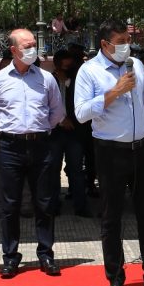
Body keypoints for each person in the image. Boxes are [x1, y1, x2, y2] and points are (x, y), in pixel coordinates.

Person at [74, 20, 144, 286]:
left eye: (127, 39)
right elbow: (80, 113)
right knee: (112, 218)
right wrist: (114, 91)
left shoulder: (136, 65)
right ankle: (115, 280)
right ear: (105, 44)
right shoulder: (89, 71)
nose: (125, 45)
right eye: (120, 40)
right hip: (109, 151)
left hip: (141, 148)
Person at [0, 29, 65, 278]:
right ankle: (10, 257)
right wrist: (10, 131)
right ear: (13, 50)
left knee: (45, 202)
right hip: (10, 147)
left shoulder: (46, 78)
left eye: (34, 45)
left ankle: (46, 254)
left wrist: (40, 130)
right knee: (10, 204)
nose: (33, 50)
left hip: (41, 145)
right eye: (27, 46)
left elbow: (57, 112)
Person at [49, 49, 91, 217]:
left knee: (77, 171)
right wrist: (60, 120)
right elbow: (45, 106)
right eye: (64, 66)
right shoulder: (48, 80)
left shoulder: (76, 80)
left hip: (74, 132)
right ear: (57, 64)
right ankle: (53, 205)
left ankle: (80, 206)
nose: (67, 68)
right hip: (55, 132)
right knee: (53, 170)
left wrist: (67, 82)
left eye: (70, 66)